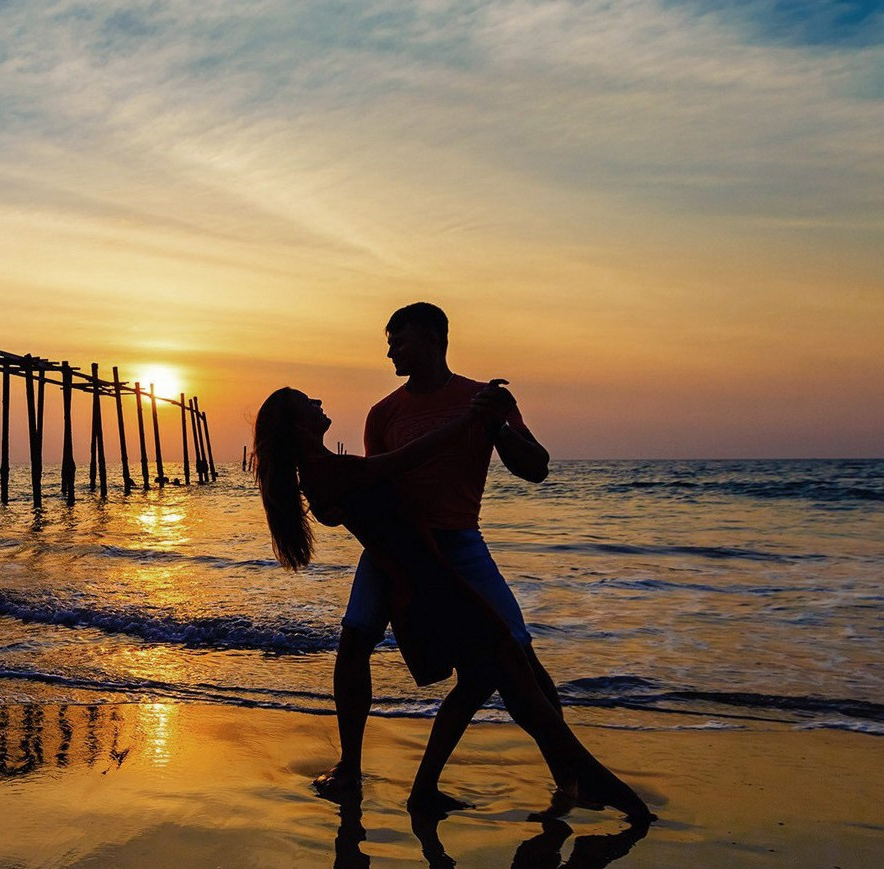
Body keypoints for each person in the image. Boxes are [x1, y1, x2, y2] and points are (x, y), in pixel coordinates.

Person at [253, 309, 649, 820]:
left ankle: (570, 776)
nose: (389, 349)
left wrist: (495, 424)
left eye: (397, 339)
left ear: (433, 338)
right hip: (398, 549)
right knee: (356, 642)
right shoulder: (383, 413)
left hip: (457, 542)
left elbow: (536, 468)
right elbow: (381, 482)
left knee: (520, 659)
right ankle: (352, 767)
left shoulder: (484, 397)